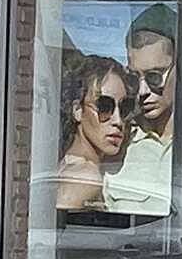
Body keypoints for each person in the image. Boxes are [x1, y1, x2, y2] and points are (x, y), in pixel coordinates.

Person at [108, 5, 176, 216]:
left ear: (180, 69)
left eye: (155, 76)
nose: (143, 91)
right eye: (134, 78)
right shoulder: (118, 141)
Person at [54, 55, 136, 212]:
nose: (118, 121)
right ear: (78, 110)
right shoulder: (86, 176)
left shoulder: (69, 164)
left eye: (124, 108)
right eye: (104, 107)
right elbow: (55, 224)